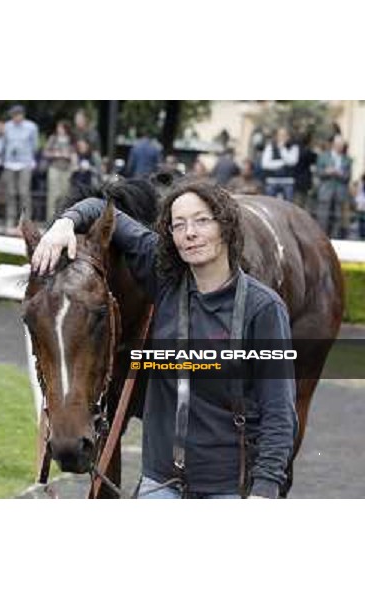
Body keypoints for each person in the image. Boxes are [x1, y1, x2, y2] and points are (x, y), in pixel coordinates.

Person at [30, 176, 297, 499]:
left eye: (202, 221)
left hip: (226, 490)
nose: (191, 233)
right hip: (161, 485)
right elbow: (102, 207)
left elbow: (279, 412)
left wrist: (265, 489)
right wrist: (64, 223)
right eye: (179, 224)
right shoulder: (164, 282)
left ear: (225, 226)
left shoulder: (264, 308)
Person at [3, 105, 38, 227]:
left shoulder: (31, 127)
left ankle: (26, 220)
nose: (15, 117)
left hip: (25, 163)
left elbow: (34, 146)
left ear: (22, 115)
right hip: (9, 163)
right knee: (11, 193)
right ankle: (10, 219)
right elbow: (4, 144)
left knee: (24, 192)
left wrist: (32, 160)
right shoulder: (7, 126)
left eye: (17, 115)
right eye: (13, 115)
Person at [315, 134, 352, 239]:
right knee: (323, 216)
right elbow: (318, 172)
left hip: (340, 191)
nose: (339, 146)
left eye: (341, 145)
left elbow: (348, 177)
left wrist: (340, 173)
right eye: (337, 144)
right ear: (333, 145)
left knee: (337, 217)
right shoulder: (323, 156)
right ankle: (321, 238)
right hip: (326, 191)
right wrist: (327, 171)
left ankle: (335, 238)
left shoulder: (347, 159)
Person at [44, 120, 75, 220]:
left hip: (66, 169)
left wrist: (69, 155)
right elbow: (45, 153)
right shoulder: (53, 139)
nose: (59, 129)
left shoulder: (71, 139)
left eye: (61, 127)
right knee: (53, 196)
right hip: (55, 168)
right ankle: (50, 219)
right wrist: (55, 154)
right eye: (58, 127)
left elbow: (75, 154)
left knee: (64, 195)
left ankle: (62, 218)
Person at [261, 128, 299, 201]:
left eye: (285, 135)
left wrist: (282, 149)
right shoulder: (270, 146)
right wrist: (283, 162)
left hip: (288, 181)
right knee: (270, 204)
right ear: (276, 136)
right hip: (272, 180)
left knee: (288, 206)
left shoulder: (294, 147)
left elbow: (292, 162)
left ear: (288, 137)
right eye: (280, 135)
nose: (282, 137)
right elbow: (265, 164)